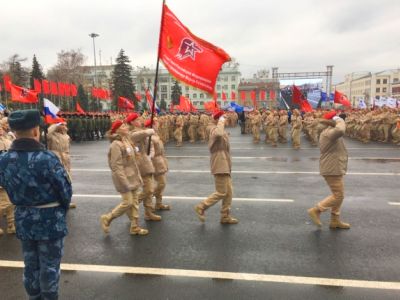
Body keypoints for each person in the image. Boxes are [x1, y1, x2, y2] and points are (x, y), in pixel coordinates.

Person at [0, 109, 72, 299]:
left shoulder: (4, 160)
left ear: (14, 132)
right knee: (49, 266)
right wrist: (61, 209)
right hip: (50, 220)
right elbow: (65, 191)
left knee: (31, 264)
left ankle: (33, 296)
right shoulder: (47, 159)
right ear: (35, 131)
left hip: (23, 218)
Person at [100, 119, 155, 235]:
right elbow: (116, 166)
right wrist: (124, 182)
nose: (126, 127)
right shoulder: (116, 145)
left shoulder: (126, 140)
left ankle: (135, 227)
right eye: (123, 126)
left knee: (134, 202)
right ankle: (108, 217)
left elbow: (134, 158)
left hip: (133, 176)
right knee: (128, 202)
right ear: (118, 130)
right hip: (124, 178)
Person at [308, 111, 350, 229]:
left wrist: (331, 120)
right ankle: (316, 210)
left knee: (338, 194)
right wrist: (339, 120)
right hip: (332, 168)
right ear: (331, 121)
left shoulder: (327, 131)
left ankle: (335, 220)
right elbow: (341, 130)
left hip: (334, 166)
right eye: (335, 119)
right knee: (338, 196)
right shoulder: (328, 133)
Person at [194, 111, 238, 224]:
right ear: (219, 120)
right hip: (219, 162)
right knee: (222, 192)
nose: (227, 122)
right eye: (226, 120)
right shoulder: (212, 127)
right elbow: (218, 134)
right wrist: (221, 121)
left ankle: (225, 216)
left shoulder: (217, 127)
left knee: (229, 192)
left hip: (224, 161)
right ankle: (201, 206)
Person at [47, 122, 77, 209]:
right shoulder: (52, 135)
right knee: (57, 179)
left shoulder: (66, 136)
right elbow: (48, 133)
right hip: (55, 157)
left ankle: (67, 200)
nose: (64, 126)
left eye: (65, 125)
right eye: (62, 124)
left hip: (66, 158)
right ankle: (56, 200)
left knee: (67, 179)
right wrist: (55, 125)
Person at [0, 125, 15, 235]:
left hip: (8, 174)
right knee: (3, 203)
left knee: (10, 202)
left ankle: (11, 225)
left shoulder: (8, 140)